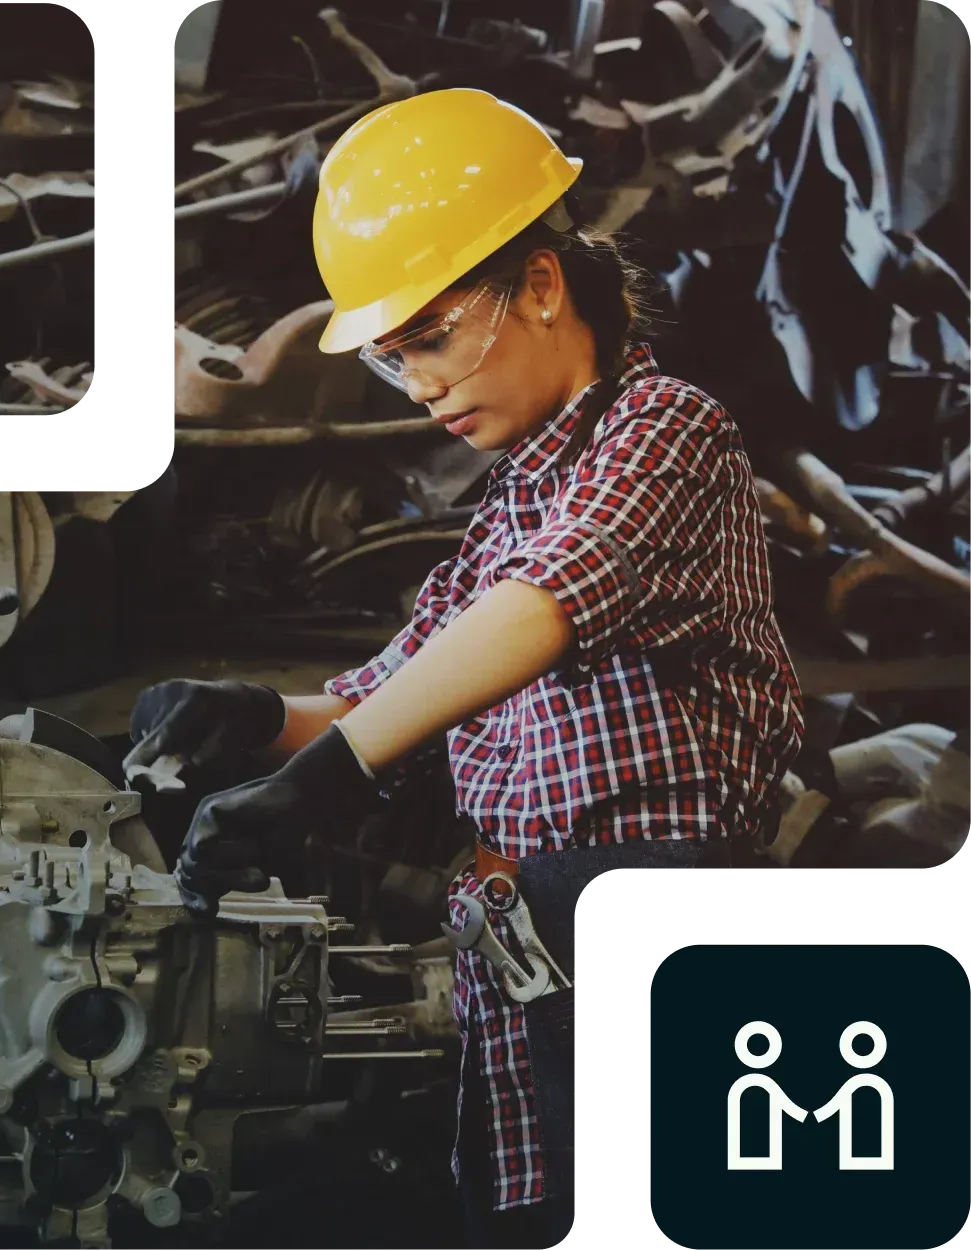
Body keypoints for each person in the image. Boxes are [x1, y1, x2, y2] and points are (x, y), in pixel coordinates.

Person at [138, 88, 806, 1249]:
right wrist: (247, 719)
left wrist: (326, 776)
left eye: (434, 337)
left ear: (540, 285)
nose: (422, 386)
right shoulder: (503, 514)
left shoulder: (666, 429)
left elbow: (543, 608)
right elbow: (379, 695)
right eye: (394, 362)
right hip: (526, 933)